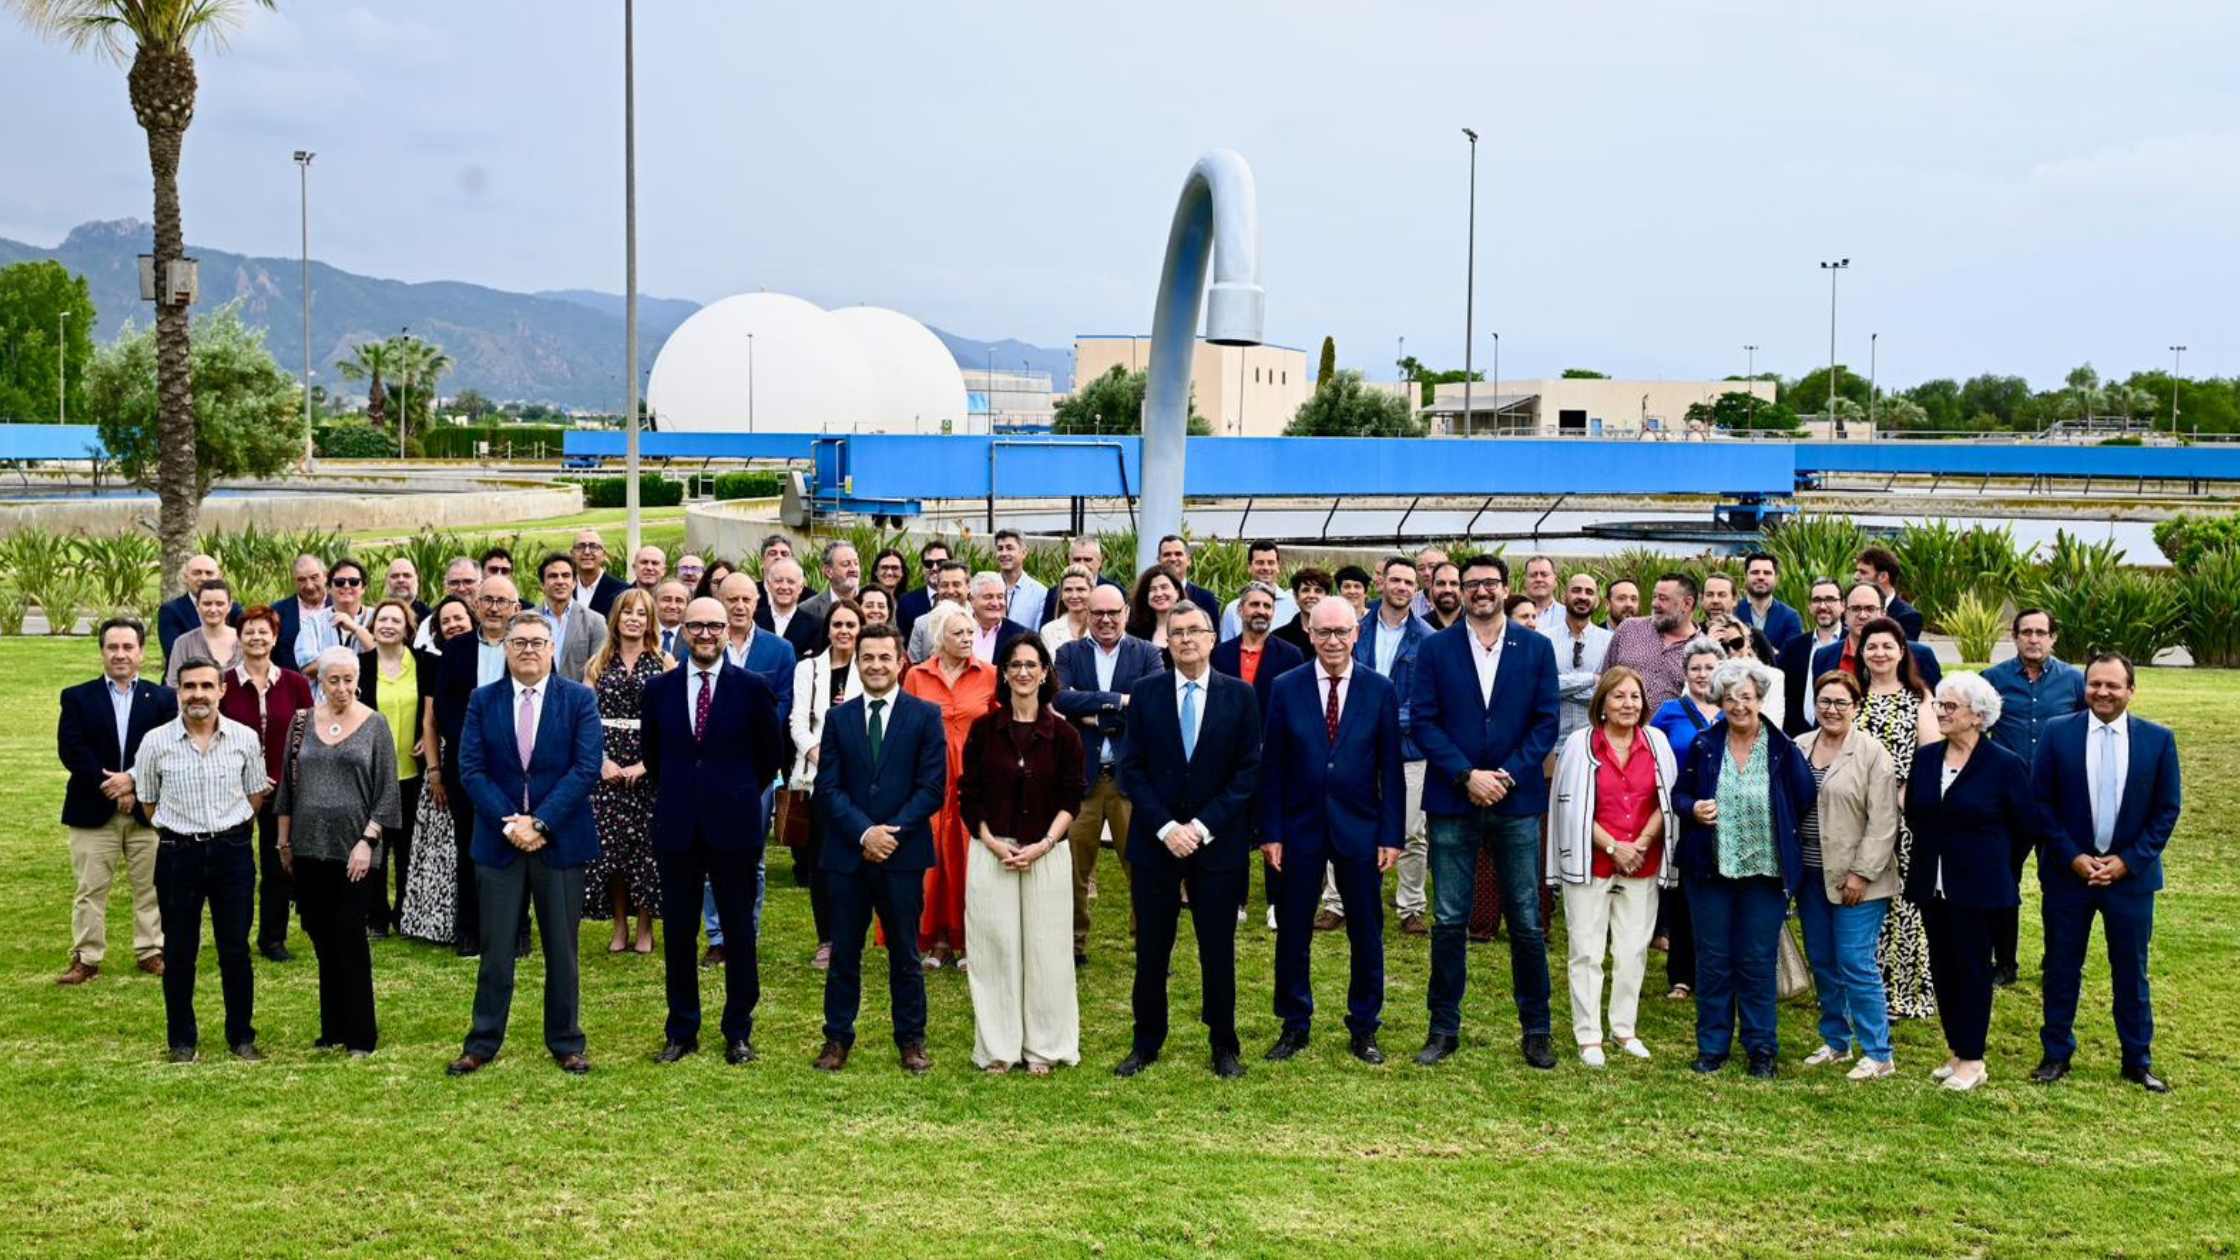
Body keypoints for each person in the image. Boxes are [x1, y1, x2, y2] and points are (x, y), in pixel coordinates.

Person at [1410, 554, 1561, 1070]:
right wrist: (1465, 774)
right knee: (1450, 918)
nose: (1479, 591)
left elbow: (1545, 724)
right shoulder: (1435, 649)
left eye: (1489, 583)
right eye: (1471, 584)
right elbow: (1425, 722)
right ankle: (1442, 1027)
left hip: (1516, 799)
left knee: (1526, 919)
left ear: (1505, 588)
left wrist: (1507, 776)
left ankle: (1536, 1030)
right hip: (1454, 798)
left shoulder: (1537, 649)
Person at [448, 612, 605, 1077]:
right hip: (499, 845)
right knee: (496, 950)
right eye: (520, 643)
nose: (529, 650)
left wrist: (540, 822)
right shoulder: (483, 700)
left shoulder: (578, 699)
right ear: (506, 649)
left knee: (562, 948)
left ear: (552, 648)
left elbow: (586, 767)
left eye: (538, 642)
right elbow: (471, 769)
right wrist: (511, 824)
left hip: (559, 842)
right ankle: (482, 1042)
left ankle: (566, 1041)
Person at [1113, 601, 1262, 1080]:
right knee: (1152, 949)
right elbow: (1131, 769)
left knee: (1216, 950)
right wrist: (1165, 828)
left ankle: (1224, 1044)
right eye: (1176, 633)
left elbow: (1247, 773)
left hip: (1216, 844)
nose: (1185, 640)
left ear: (1213, 638)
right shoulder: (1145, 693)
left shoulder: (1240, 696)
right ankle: (1146, 1041)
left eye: (1194, 631)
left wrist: (1200, 828)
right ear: (1167, 642)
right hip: (1156, 843)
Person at [641, 597, 788, 1068]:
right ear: (683, 631)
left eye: (715, 627)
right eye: (696, 626)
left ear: (729, 631)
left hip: (735, 825)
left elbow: (770, 756)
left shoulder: (753, 688)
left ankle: (738, 1031)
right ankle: (682, 1030)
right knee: (680, 933)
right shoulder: (658, 690)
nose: (706, 635)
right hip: (678, 824)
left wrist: (736, 793)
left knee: (739, 931)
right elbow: (654, 757)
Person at [1259, 598, 1404, 1065]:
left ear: (1356, 633)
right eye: (1323, 633)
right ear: (1310, 634)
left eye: (1341, 632)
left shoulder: (1380, 690)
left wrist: (1391, 834)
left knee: (1366, 932)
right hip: (1299, 827)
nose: (1333, 641)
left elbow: (1391, 769)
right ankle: (1294, 1025)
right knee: (1293, 930)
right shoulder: (1286, 687)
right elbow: (1272, 766)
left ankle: (1365, 1027)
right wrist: (1271, 831)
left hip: (1360, 827)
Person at [2030, 653, 2182, 1093]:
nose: (2102, 692)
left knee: (2131, 971)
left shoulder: (2158, 740)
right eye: (2095, 684)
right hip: (2068, 876)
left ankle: (2137, 1059)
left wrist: (2128, 861)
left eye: (2113, 685)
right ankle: (2056, 1054)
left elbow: (2166, 810)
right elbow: (2041, 804)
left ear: (2131, 690)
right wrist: (2074, 857)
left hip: (2131, 880)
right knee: (2061, 967)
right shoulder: (2058, 734)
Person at [812, 623, 949, 1075]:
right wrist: (863, 833)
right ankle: (836, 1039)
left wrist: (891, 833)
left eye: (884, 657)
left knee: (905, 954)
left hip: (903, 856)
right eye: (866, 658)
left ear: (899, 662)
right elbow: (828, 787)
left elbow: (932, 787)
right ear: (858, 662)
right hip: (847, 856)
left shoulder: (925, 716)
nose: (875, 665)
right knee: (845, 951)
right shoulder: (839, 718)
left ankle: (911, 1040)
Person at [1670, 657, 1815, 1078]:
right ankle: (1712, 1048)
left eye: (1746, 697)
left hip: (1765, 873)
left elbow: (1803, 797)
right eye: (1730, 698)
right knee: (1713, 962)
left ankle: (1761, 1050)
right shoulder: (1704, 745)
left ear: (1760, 700)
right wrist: (1693, 808)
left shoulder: (1783, 748)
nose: (1738, 706)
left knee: (1755, 962)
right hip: (1711, 871)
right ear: (1720, 702)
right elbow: (1680, 795)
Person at [958, 634, 1086, 1073]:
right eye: (1015, 665)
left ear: (1046, 672)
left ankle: (1045, 1047)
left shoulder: (1064, 734)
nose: (1024, 673)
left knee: (1047, 951)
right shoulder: (982, 730)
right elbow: (968, 795)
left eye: (1032, 665)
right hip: (993, 852)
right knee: (995, 950)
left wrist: (1044, 844)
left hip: (1046, 853)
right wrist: (994, 843)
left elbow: (1073, 798)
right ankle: (998, 1047)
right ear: (1004, 674)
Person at [132, 656, 270, 1062]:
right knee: (179, 951)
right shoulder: (155, 742)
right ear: (178, 690)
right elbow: (148, 804)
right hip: (178, 854)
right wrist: (182, 832)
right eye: (189, 686)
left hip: (232, 852)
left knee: (235, 949)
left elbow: (255, 794)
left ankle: (241, 1037)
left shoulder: (244, 738)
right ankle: (181, 1041)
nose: (198, 694)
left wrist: (228, 829)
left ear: (221, 690)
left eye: (206, 686)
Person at [1905, 672, 2035, 1092]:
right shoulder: (1926, 758)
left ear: (1977, 716)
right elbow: (1916, 815)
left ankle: (1974, 1059)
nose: (1941, 712)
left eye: (1950, 707)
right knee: (1943, 969)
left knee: (1972, 971)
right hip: (1932, 885)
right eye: (1939, 705)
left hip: (1979, 888)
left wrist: (1995, 868)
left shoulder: (2004, 764)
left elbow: (2024, 830)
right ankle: (1958, 1049)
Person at [1547, 666, 1680, 1066]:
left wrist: (1639, 844)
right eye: (1618, 696)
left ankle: (1624, 1030)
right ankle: (1589, 1036)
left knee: (1633, 950)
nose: (1628, 704)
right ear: (1601, 703)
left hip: (1642, 858)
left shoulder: (1656, 742)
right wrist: (1612, 846)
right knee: (1586, 950)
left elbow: (1667, 801)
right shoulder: (1579, 743)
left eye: (1635, 697)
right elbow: (1568, 806)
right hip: (1592, 861)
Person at [277, 648, 399, 1057]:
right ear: (320, 681)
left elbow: (387, 792)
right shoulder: (301, 723)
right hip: (309, 850)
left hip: (356, 852)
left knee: (350, 939)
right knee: (320, 937)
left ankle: (362, 1035)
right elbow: (287, 791)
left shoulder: (374, 724)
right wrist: (284, 842)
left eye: (349, 680)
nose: (342, 688)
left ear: (358, 680)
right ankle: (332, 1029)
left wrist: (368, 841)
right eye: (334, 680)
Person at [1791, 669, 1901, 1081]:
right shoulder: (1799, 747)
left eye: (1841, 702)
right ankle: (1837, 1041)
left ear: (1856, 707)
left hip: (1858, 881)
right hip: (1811, 876)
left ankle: (1878, 1052)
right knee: (1823, 961)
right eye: (1824, 701)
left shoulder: (1872, 754)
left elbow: (1884, 822)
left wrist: (1861, 873)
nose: (1831, 709)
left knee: (1856, 963)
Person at [56, 617, 176, 985]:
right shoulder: (77, 697)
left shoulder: (162, 699)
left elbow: (168, 750)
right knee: (90, 888)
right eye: (113, 647)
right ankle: (87, 957)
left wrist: (134, 783)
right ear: (102, 652)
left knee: (152, 886)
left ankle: (150, 950)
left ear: (141, 652)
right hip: (92, 808)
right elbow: (72, 749)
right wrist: (112, 784)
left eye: (128, 647)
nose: (120, 654)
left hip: (148, 811)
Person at [1052, 583, 1165, 965]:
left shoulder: (1148, 654)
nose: (1105, 619)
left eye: (1113, 612)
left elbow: (1152, 702)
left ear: (1126, 614)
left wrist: (1092, 714)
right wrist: (1119, 703)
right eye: (1097, 612)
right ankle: (1072, 946)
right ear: (1086, 613)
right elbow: (1059, 698)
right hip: (1082, 778)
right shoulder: (1068, 653)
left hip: (1129, 779)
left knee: (1142, 868)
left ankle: (1148, 945)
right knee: (1072, 871)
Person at [1981, 607, 2084, 987]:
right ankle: (2004, 963)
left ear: (2053, 637)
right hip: (2008, 801)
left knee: (2059, 884)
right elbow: (1974, 736)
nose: (2034, 639)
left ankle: (2058, 960)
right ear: (2015, 636)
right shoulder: (1992, 680)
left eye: (2042, 632)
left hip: (2060, 801)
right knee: (2003, 882)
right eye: (2026, 632)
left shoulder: (2075, 681)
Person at [1331, 556, 1434, 936]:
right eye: (1396, 580)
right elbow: (1337, 677)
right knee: (1340, 823)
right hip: (1351, 748)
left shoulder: (1428, 640)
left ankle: (1411, 907)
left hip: (1408, 749)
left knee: (1411, 832)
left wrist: (1382, 721)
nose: (1402, 587)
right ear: (1382, 584)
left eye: (1409, 582)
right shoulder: (1354, 630)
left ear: (1416, 590)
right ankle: (1336, 902)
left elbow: (1426, 702)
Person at [704, 571, 797, 964]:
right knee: (711, 856)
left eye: (746, 599)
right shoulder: (703, 644)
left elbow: (783, 705)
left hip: (757, 768)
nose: (739, 606)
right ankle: (717, 937)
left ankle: (746, 935)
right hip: (708, 767)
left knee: (752, 856)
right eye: (731, 600)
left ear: (757, 603)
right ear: (719, 602)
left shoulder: (779, 650)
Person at [1852, 616, 1940, 1021]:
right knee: (1860, 897)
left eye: (1888, 646)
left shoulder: (1919, 696)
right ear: (1862, 653)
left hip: (1904, 815)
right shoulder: (1853, 696)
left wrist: (1911, 795)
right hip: (1856, 816)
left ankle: (1903, 989)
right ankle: (1860, 986)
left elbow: (1931, 756)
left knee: (1902, 902)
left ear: (1902, 651)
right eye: (1872, 646)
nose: (1879, 653)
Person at [432, 575, 524, 958]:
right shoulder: (457, 650)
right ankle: (469, 928)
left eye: (503, 601)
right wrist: (473, 739)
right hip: (466, 764)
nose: (494, 607)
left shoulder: (525, 647)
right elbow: (445, 707)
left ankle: (517, 929)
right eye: (487, 600)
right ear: (476, 605)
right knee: (469, 845)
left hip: (514, 765)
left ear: (515, 608)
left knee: (515, 845)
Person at [902, 603, 998, 968]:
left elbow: (999, 724)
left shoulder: (989, 674)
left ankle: (970, 942)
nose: (966, 639)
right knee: (933, 858)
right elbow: (906, 726)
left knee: (970, 856)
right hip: (929, 776)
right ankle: (938, 940)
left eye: (970, 633)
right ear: (939, 636)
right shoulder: (917, 676)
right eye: (958, 633)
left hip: (974, 777)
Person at [219, 606, 315, 962]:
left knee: (278, 867)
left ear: (275, 638)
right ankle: (234, 937)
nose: (257, 638)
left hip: (284, 789)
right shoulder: (223, 684)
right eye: (249, 632)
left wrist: (279, 775)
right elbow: (216, 735)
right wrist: (250, 779)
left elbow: (308, 733)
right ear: (239, 638)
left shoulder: (295, 683)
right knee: (236, 869)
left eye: (264, 632)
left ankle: (272, 938)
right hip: (235, 790)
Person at [1209, 581, 1305, 927]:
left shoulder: (1290, 655)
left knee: (1273, 826)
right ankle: (1237, 901)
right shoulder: (1218, 654)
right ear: (1240, 611)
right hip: (1227, 757)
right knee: (1232, 829)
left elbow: (1295, 708)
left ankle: (1276, 903)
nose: (1261, 612)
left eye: (1267, 606)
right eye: (1254, 606)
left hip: (1275, 755)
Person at [581, 588, 669, 955]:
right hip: (607, 766)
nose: (634, 619)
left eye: (641, 614)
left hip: (648, 764)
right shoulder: (597, 664)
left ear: (651, 621)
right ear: (616, 618)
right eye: (628, 613)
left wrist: (647, 764)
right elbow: (585, 721)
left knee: (645, 851)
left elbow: (671, 722)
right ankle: (619, 925)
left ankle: (645, 926)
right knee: (611, 852)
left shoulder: (665, 663)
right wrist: (601, 762)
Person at [1646, 635, 1725, 1000]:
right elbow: (1652, 758)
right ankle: (1681, 976)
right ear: (1685, 672)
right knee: (1681, 895)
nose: (1703, 674)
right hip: (1681, 811)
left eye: (1710, 667)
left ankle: (1716, 972)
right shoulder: (1669, 712)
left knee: (1721, 894)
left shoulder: (1733, 708)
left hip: (1725, 814)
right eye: (1696, 668)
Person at [793, 599, 868, 969]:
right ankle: (826, 939)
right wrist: (820, 755)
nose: (843, 631)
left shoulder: (871, 667)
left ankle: (850, 937)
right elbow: (796, 724)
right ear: (828, 630)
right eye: (837, 625)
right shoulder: (809, 668)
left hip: (860, 777)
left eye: (851, 625)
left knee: (855, 862)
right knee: (821, 863)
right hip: (817, 777)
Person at [355, 599, 434, 939]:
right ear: (372, 626)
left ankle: (405, 913)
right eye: (382, 619)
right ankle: (375, 917)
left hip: (411, 771)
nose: (388, 624)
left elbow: (435, 709)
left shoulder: (426, 664)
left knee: (406, 850)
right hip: (370, 773)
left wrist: (427, 737)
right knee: (373, 847)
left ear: (407, 628)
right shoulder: (360, 665)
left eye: (396, 620)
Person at [397, 597, 471, 945]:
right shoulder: (434, 664)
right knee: (441, 847)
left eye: (459, 618)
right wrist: (435, 771)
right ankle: (437, 923)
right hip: (442, 758)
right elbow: (429, 722)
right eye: (446, 621)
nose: (454, 624)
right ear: (437, 631)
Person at [1812, 583, 1943, 694]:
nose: (1862, 615)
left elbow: (1936, 706)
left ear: (1883, 614)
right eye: (1855, 608)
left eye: (1870, 609)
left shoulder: (1920, 655)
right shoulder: (1824, 656)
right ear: (1844, 613)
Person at [1604, 573, 1701, 714]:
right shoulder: (1629, 629)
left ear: (1687, 604)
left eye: (1663, 599)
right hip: (1621, 730)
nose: (1655, 604)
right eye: (1655, 597)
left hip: (1669, 734)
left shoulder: (1703, 649)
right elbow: (1606, 680)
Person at [1543, 570, 1615, 754]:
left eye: (1589, 592)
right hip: (1551, 746)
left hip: (1597, 745)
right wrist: (1592, 678)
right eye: (1576, 590)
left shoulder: (1611, 642)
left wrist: (1562, 688)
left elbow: (1609, 693)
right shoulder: (1543, 640)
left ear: (1597, 601)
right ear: (1564, 596)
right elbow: (1542, 688)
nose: (1583, 596)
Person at [1776, 578, 1846, 735]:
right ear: (1809, 607)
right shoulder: (1793, 647)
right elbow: (1782, 693)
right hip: (1797, 737)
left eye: (1829, 600)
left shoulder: (1853, 644)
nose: (1822, 606)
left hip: (1842, 736)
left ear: (1843, 605)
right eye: (1816, 600)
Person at [534, 553, 608, 687]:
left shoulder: (595, 621)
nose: (560, 581)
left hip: (577, 701)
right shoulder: (526, 620)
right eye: (553, 576)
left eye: (566, 575)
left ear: (574, 583)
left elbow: (598, 670)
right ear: (542, 584)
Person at [1707, 614, 1783, 730]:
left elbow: (1773, 726)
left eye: (1737, 643)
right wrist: (1708, 654)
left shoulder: (1773, 676)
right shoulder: (1707, 678)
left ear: (1747, 643)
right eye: (1723, 647)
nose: (1731, 651)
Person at [165, 579, 244, 687]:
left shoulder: (244, 641)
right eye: (207, 604)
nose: (213, 609)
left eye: (219, 604)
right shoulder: (183, 644)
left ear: (229, 606)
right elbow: (174, 686)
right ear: (197, 606)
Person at [157, 553, 238, 658]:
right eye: (196, 573)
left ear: (219, 577)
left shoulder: (233, 609)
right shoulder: (171, 611)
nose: (203, 578)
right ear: (186, 577)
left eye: (209, 573)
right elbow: (173, 653)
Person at [1219, 540, 1299, 640]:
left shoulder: (1294, 605)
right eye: (1260, 563)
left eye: (1271, 563)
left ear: (1278, 566)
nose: (1266, 568)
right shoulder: (1232, 609)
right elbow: (1225, 648)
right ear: (1249, 566)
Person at [1037, 536, 1123, 625]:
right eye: (1077, 559)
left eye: (1088, 560)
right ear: (1069, 560)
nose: (1082, 564)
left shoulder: (1115, 591)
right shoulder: (1055, 593)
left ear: (1100, 561)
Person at [274, 554, 337, 671]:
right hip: (291, 685)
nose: (309, 586)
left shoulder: (341, 607)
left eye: (314, 577)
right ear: (294, 581)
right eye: (302, 580)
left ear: (326, 576)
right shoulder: (278, 612)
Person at [758, 557, 824, 660]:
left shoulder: (816, 626)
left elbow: (812, 665)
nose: (784, 587)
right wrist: (799, 657)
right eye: (779, 581)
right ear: (769, 585)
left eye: (791, 582)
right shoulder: (753, 620)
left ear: (801, 587)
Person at [1735, 552, 1803, 652]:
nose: (1761, 577)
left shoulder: (1790, 617)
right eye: (1755, 572)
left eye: (1767, 573)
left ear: (1776, 579)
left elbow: (1793, 656)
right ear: (1746, 576)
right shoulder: (1733, 612)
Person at [905, 561, 972, 662]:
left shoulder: (980, 620)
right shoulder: (922, 624)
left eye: (956, 584)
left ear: (968, 587)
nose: (950, 591)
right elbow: (913, 667)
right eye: (944, 585)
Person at [1855, 546, 1925, 640]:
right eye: (1857, 571)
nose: (1856, 577)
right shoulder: (1848, 610)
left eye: (1863, 572)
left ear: (1883, 576)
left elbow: (1903, 651)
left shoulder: (1908, 617)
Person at [415, 559, 481, 651]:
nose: (461, 588)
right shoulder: (428, 624)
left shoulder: (492, 619)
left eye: (468, 581)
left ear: (480, 584)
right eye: (454, 583)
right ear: (445, 587)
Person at [896, 540, 953, 643]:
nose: (935, 568)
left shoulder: (961, 598)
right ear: (922, 567)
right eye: (928, 563)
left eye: (941, 562)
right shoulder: (907, 601)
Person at [991, 529, 1049, 630]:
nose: (1004, 553)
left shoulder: (1039, 593)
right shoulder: (987, 587)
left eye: (1009, 548)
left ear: (1024, 553)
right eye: (1000, 549)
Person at [799, 540, 862, 627]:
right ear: (828, 571)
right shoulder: (807, 609)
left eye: (856, 563)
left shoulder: (872, 604)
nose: (853, 569)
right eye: (845, 564)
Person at [1272, 567, 1332, 656]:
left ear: (1327, 596)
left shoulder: (1337, 635)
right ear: (1296, 597)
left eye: (1318, 590)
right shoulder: (1278, 638)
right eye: (1305, 590)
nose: (1311, 595)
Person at [323, 558, 377, 659]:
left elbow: (383, 656)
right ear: (329, 588)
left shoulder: (379, 618)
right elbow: (306, 665)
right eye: (339, 582)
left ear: (363, 589)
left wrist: (355, 628)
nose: (347, 586)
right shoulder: (314, 622)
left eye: (354, 582)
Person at [1154, 534, 1220, 613]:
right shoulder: (1147, 598)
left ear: (1189, 560)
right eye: (1167, 554)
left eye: (1178, 554)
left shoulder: (1205, 599)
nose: (1173, 559)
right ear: (1159, 561)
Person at [570, 529, 628, 617]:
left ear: (604, 555)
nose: (587, 552)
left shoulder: (622, 591)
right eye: (580, 547)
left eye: (593, 547)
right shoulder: (565, 589)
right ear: (572, 555)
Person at [1126, 566, 1184, 652]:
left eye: (1164, 587)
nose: (1159, 593)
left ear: (1177, 592)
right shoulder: (1133, 631)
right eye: (1152, 589)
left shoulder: (1192, 624)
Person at [1040, 565, 1094, 653]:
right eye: (1068, 590)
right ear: (1061, 594)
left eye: (1080, 589)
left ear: (1091, 592)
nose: (1074, 596)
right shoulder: (1049, 631)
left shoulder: (1100, 627)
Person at [653, 578, 692, 658]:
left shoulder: (692, 638)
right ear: (654, 603)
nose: (673, 606)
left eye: (679, 601)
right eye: (666, 600)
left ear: (687, 606)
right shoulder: (644, 633)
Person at [1421, 561, 1463, 632]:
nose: (1447, 590)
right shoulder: (1420, 627)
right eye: (1441, 583)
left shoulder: (1476, 624)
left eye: (1454, 583)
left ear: (1462, 588)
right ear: (1431, 587)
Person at [384, 557, 427, 623]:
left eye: (407, 576)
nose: (401, 580)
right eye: (395, 576)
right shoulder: (377, 616)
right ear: (386, 581)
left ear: (417, 580)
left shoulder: (429, 619)